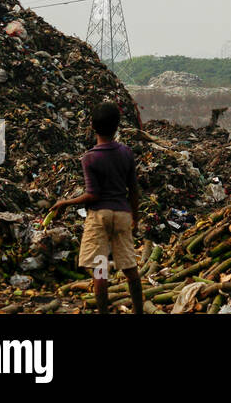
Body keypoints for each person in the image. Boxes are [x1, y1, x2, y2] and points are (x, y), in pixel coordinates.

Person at [49, 102, 143, 314]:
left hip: (100, 216)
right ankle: (139, 312)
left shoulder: (90, 158)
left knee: (100, 270)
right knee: (130, 268)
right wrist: (135, 219)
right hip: (121, 215)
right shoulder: (126, 153)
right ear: (117, 126)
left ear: (92, 126)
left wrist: (66, 202)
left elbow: (93, 194)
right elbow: (134, 191)